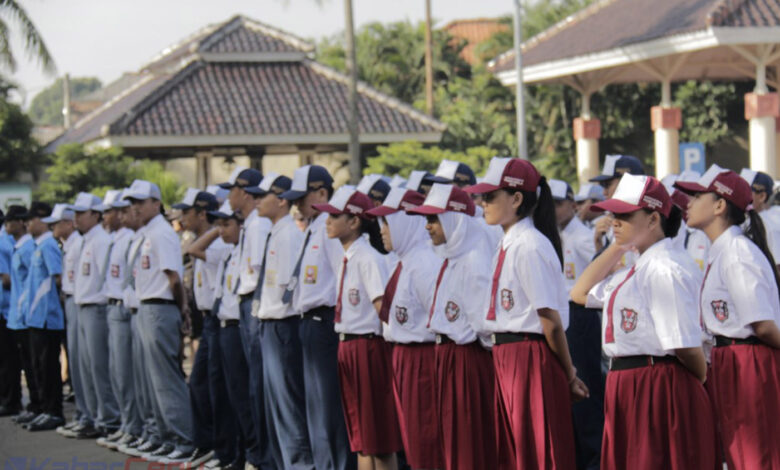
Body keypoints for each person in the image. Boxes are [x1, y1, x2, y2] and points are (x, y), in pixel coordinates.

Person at [571, 173, 716, 470]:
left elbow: (685, 347)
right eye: (613, 215)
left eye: (624, 215)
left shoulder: (665, 267)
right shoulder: (638, 266)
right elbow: (579, 292)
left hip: (659, 383)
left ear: (652, 220)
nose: (614, 221)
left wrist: (696, 385)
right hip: (630, 383)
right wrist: (620, 244)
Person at [465, 159, 586, 470]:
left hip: (530, 356)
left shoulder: (529, 246)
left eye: (491, 196)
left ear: (516, 198)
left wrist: (569, 374)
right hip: (508, 354)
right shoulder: (508, 243)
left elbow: (551, 322)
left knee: (538, 451)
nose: (483, 203)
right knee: (515, 453)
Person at [675, 165, 780, 470]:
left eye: (696, 196)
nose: (688, 203)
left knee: (756, 455)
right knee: (740, 455)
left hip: (748, 361)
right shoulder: (723, 249)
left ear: (720, 205)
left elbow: (762, 324)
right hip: (730, 359)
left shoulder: (737, 252)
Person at [408, 184, 498, 470]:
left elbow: (484, 324)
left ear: (455, 219)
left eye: (434, 219)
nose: (428, 227)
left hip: (466, 359)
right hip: (448, 357)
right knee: (452, 440)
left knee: (468, 440)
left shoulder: (474, 261)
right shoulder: (451, 259)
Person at [313, 186, 402, 470]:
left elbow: (382, 311)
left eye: (334, 216)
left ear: (354, 221)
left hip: (368, 346)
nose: (327, 221)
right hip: (348, 345)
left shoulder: (368, 258)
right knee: (361, 436)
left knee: (378, 436)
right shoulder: (347, 256)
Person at [280, 165, 353, 470]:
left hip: (325, 323)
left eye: (302, 197)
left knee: (328, 410)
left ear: (322, 193)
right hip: (308, 322)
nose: (296, 204)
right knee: (314, 409)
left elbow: (343, 277)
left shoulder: (329, 227)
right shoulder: (314, 226)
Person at [366, 187, 444, 470]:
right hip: (403, 357)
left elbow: (439, 322)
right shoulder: (404, 260)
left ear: (407, 220)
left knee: (426, 440)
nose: (382, 230)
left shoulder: (424, 263)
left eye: (388, 221)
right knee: (412, 441)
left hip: (422, 359)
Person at [125, 179, 195, 463]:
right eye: (134, 203)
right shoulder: (148, 232)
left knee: (165, 379)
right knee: (151, 380)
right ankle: (166, 436)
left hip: (160, 306)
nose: (136, 208)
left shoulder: (162, 233)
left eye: (141, 203)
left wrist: (181, 311)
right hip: (147, 306)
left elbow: (174, 279)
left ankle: (183, 438)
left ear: (156, 203)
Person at [249, 172, 315, 469]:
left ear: (279, 200)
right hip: (269, 323)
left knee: (288, 403)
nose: (256, 201)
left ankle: (299, 464)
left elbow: (293, 284)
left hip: (283, 324)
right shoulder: (276, 231)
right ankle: (284, 462)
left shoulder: (289, 235)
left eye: (262, 196)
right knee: (274, 402)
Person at [199, 200, 265, 469]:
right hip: (222, 326)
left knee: (244, 395)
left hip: (238, 328)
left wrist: (236, 226)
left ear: (242, 225)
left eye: (227, 223)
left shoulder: (246, 250)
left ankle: (252, 454)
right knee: (229, 395)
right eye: (218, 224)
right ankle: (237, 454)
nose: (221, 229)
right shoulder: (229, 254)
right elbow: (192, 249)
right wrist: (220, 229)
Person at [219, 167, 276, 468]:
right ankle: (256, 454)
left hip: (252, 303)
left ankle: (261, 456)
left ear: (244, 193)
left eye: (232, 190)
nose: (229, 195)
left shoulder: (257, 226)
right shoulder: (252, 224)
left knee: (256, 384)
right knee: (248, 385)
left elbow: (256, 275)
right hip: (246, 303)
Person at [551, 178, 603, 470]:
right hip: (564, 314)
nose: (554, 210)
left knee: (585, 392)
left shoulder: (583, 237)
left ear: (573, 205)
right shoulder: (556, 235)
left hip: (580, 314)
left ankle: (594, 460)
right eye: (550, 205)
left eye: (559, 204)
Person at [178, 189, 232, 467]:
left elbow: (193, 251)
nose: (181, 217)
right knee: (201, 383)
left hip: (219, 319)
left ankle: (216, 445)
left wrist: (215, 226)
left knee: (209, 385)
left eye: (187, 212)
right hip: (207, 317)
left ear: (202, 213)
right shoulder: (207, 240)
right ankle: (207, 443)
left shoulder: (217, 242)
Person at [71, 192, 122, 438]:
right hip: (82, 306)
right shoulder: (84, 240)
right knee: (86, 367)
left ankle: (108, 418)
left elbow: (105, 278)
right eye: (76, 213)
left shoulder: (101, 240)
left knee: (99, 366)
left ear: (95, 214)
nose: (77, 218)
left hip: (96, 307)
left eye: (82, 213)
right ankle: (94, 416)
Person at [96, 190, 144, 450]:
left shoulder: (129, 238)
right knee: (117, 372)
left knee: (127, 374)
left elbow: (130, 278)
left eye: (112, 211)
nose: (108, 216)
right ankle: (127, 424)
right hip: (112, 306)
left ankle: (133, 426)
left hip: (125, 308)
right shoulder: (115, 238)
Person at [22, 202, 66, 431]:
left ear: (41, 220)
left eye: (30, 220)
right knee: (39, 366)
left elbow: (58, 278)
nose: (27, 224)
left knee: (48, 367)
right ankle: (45, 409)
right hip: (36, 317)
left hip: (47, 316)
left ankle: (54, 411)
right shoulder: (39, 245)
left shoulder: (49, 244)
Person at [48, 203, 87, 435]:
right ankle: (85, 414)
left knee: (87, 364)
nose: (53, 226)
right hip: (71, 301)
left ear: (69, 223)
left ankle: (94, 417)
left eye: (58, 222)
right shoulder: (68, 245)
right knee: (77, 362)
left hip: (80, 301)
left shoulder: (79, 244)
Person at [5, 205, 40, 427]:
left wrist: (26, 309)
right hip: (19, 314)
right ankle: (35, 405)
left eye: (11, 220)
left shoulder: (29, 247)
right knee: (28, 364)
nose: (7, 224)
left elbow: (31, 284)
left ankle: (40, 406)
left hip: (29, 314)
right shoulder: (21, 246)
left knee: (34, 364)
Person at [589, 155, 645, 255]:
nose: (604, 192)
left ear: (628, 182)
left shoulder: (648, 219)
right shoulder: (611, 220)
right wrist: (598, 242)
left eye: (607, 185)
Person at [0, 207, 22, 417]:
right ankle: (9, 399)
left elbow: (7, 279)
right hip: (8, 307)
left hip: (5, 308)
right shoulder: (6, 241)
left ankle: (10, 401)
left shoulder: (1, 242)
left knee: (7, 360)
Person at [740, 168, 780, 268]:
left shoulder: (771, 224)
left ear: (762, 196)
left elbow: (778, 266)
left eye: (745, 190)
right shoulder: (744, 218)